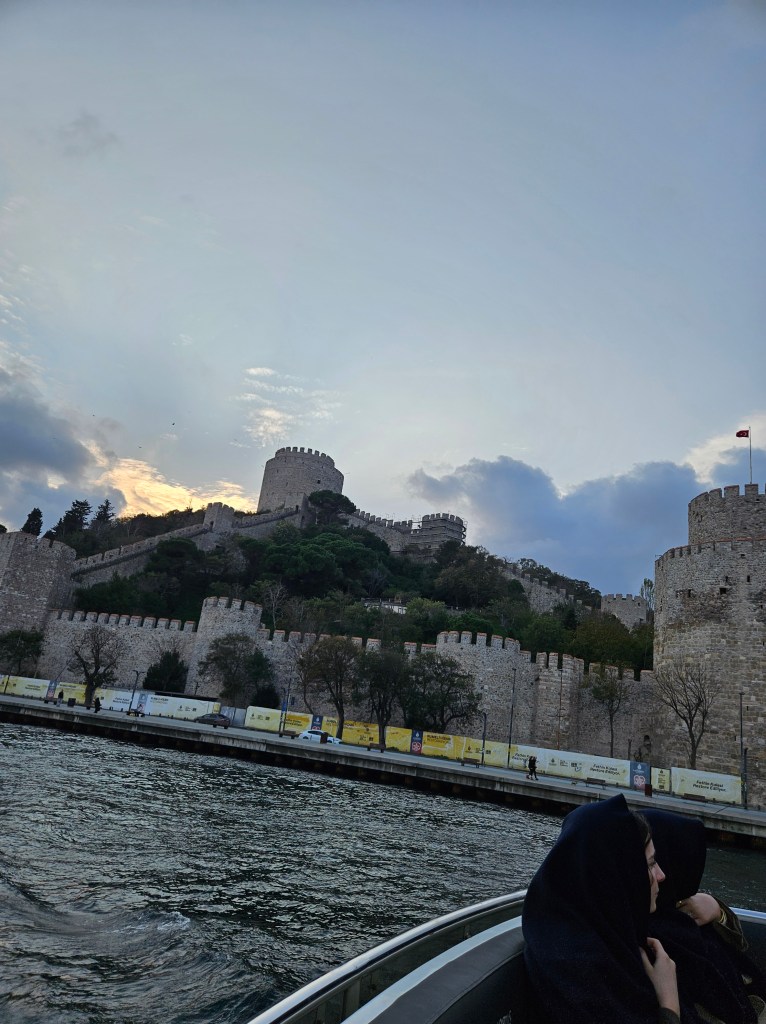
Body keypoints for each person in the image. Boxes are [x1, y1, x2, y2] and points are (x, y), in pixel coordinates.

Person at [523, 794, 681, 1023]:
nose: (661, 875)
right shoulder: (580, 976)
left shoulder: (602, 944)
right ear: (617, 876)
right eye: (650, 864)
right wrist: (669, 1004)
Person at [644, 808, 766, 1024]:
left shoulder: (681, 913)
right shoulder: (664, 944)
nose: (660, 875)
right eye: (652, 863)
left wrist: (718, 912)